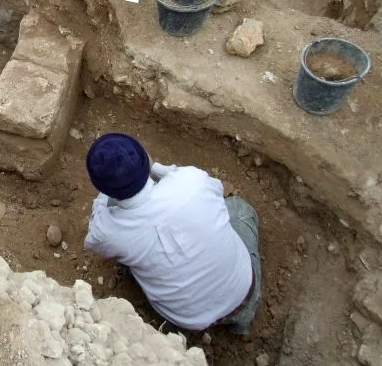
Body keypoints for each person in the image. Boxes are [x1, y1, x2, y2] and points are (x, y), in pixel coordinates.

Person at [84, 133, 261, 335]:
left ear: (101, 187)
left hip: (187, 319)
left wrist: (104, 196)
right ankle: (242, 320)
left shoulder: (108, 232)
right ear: (145, 157)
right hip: (244, 290)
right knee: (238, 208)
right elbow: (217, 190)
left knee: (127, 256)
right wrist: (153, 167)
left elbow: (93, 240)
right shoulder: (192, 181)